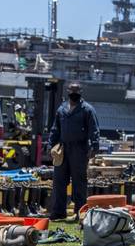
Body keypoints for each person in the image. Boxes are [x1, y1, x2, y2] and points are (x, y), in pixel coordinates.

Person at [48, 82, 100, 221]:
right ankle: (58, 212)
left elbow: (94, 129)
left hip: (79, 150)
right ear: (68, 91)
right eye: (72, 91)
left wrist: (94, 147)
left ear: (81, 92)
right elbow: (55, 129)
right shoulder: (62, 109)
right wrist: (50, 145)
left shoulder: (87, 110)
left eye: (77, 91)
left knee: (79, 183)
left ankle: (80, 212)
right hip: (63, 150)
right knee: (59, 182)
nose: (74, 93)